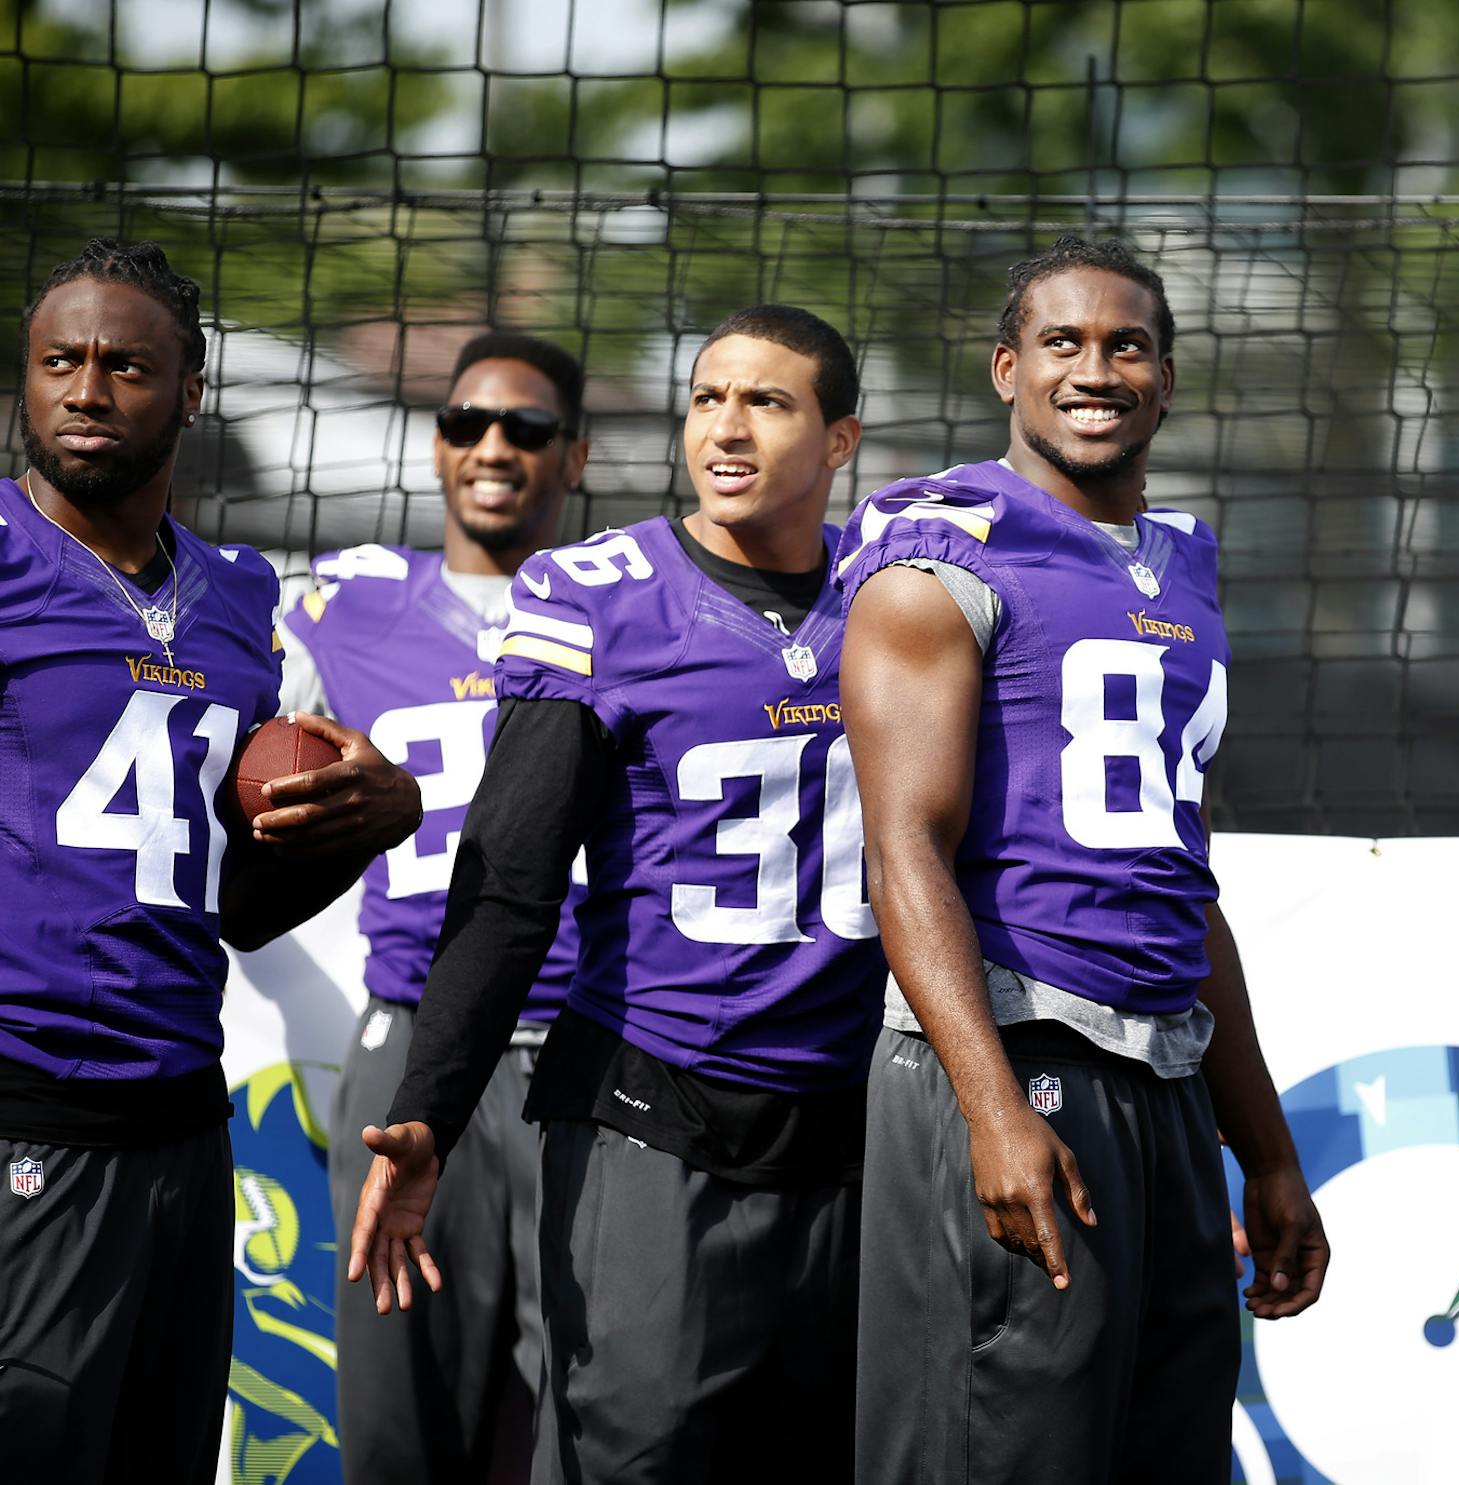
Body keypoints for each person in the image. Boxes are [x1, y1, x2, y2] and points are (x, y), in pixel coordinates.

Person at [346, 305, 883, 1484]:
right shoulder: (602, 594)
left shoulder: (898, 592)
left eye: (767, 401)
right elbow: (511, 881)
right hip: (657, 1111)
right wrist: (432, 1106)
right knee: (627, 1455)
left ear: (840, 440)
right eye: (706, 399)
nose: (726, 428)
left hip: (849, 1132)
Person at [835, 233, 1330, 1484]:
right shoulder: (941, 550)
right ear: (1008, 368)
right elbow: (903, 853)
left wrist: (1263, 1152)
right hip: (1014, 1056)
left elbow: (1183, 883)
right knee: (1000, 1453)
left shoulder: (1181, 567)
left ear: (1167, 380)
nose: (1094, 368)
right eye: (1062, 342)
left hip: (1164, 1081)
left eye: (1128, 345)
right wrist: (992, 1110)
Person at [0, 238, 421, 1483]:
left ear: (189, 391)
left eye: (125, 365)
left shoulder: (240, 598)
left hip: (182, 1117)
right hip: (27, 1107)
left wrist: (375, 817)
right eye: (56, 362)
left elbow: (241, 903)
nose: (84, 390)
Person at [278, 330, 589, 1481]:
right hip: (411, 1041)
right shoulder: (340, 605)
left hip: (586, 1060)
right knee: (400, 1418)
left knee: (599, 1412)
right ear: (438, 443)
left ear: (575, 454)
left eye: (527, 428)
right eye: (467, 423)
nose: (493, 446)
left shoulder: (629, 608)